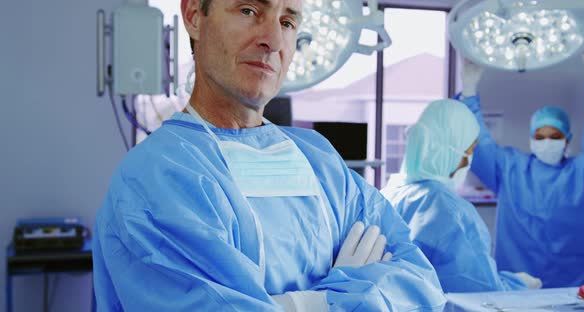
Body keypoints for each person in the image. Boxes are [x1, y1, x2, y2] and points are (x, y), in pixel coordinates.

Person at [92, 0, 446, 311]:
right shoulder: (156, 178)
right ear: (193, 15)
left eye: (288, 22)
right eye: (249, 11)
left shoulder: (319, 159)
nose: (273, 41)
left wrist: (302, 305)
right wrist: (346, 297)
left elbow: (422, 285)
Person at [458, 52, 584, 288]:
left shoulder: (581, 173)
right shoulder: (510, 168)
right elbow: (479, 142)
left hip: (574, 288)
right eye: (540, 136)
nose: (546, 142)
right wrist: (469, 92)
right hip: (518, 286)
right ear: (531, 139)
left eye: (554, 136)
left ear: (567, 140)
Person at [380, 99, 540, 293]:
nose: (468, 160)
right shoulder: (449, 210)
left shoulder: (389, 194)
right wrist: (519, 285)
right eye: (469, 150)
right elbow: (481, 291)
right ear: (450, 151)